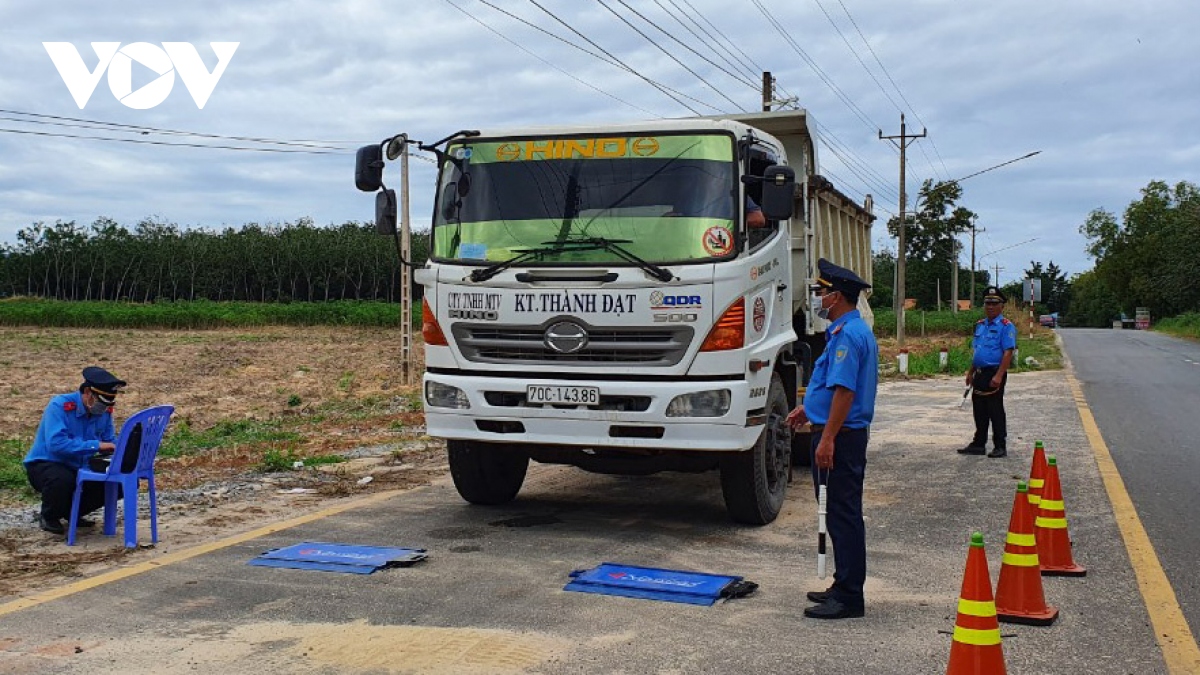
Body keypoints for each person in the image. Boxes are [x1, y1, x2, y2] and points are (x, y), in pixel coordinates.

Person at [785, 258, 878, 620]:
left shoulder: (848, 336)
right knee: (838, 513)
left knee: (843, 514)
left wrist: (827, 439)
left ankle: (850, 596)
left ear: (836, 296)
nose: (817, 299)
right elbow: (829, 388)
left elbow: (844, 392)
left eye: (821, 293)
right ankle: (842, 585)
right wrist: (808, 410)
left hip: (842, 436)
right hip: (835, 429)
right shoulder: (845, 331)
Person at [24, 366, 126, 535]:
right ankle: (49, 516)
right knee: (62, 479)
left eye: (108, 404)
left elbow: (110, 440)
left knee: (117, 481)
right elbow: (56, 444)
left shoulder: (105, 412)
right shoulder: (60, 406)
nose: (103, 408)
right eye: (101, 402)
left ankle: (73, 511)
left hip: (80, 465)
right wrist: (95, 445)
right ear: (87, 392)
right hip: (47, 463)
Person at [959, 286, 1017, 458]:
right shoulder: (980, 325)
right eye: (987, 303)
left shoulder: (1006, 326)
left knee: (995, 410)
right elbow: (978, 351)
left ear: (1001, 306)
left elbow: (1008, 352)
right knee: (979, 409)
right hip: (979, 373)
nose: (990, 306)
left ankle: (1000, 445)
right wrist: (970, 372)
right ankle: (979, 443)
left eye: (994, 303)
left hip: (994, 372)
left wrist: (999, 375)